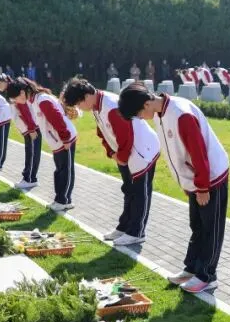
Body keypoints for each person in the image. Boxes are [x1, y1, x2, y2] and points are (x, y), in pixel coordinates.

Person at [118, 83, 229, 294]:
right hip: (195, 179)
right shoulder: (159, 113)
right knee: (197, 225)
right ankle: (192, 269)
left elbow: (198, 152)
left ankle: (207, 276)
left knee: (211, 228)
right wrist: (188, 183)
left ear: (146, 104)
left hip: (211, 177)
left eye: (139, 114)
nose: (141, 118)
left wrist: (202, 187)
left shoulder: (181, 114)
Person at [63, 79, 159, 247]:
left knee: (139, 192)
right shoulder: (96, 105)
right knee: (128, 189)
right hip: (126, 152)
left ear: (87, 96)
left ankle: (136, 232)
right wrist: (112, 153)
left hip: (143, 149)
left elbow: (126, 136)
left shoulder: (111, 105)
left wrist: (121, 157)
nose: (79, 108)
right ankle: (124, 227)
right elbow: (102, 131)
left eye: (78, 103)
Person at [12, 78, 77, 209]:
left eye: (15, 98)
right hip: (57, 139)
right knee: (60, 170)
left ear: (22, 93)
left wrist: (65, 139)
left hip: (63, 139)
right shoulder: (36, 99)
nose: (16, 101)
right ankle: (61, 200)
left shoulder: (42, 100)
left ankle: (63, 201)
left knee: (65, 170)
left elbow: (57, 119)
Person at [1, 77, 41, 188]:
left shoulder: (17, 93)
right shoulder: (16, 91)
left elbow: (25, 112)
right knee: (30, 153)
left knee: (32, 154)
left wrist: (31, 130)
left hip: (32, 129)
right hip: (29, 128)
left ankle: (30, 179)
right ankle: (28, 178)